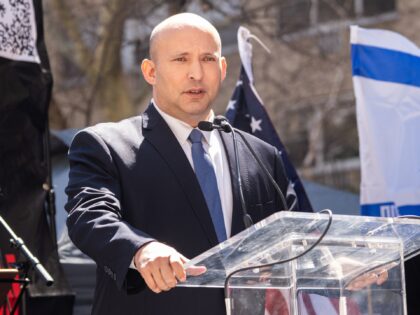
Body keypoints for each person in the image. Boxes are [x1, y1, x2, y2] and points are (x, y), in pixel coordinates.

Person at [65, 13, 298, 315]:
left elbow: (296, 237)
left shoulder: (261, 155)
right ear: (150, 71)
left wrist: (338, 262)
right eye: (181, 60)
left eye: (207, 59)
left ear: (223, 68)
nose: (196, 73)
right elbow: (89, 216)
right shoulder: (106, 145)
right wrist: (140, 249)